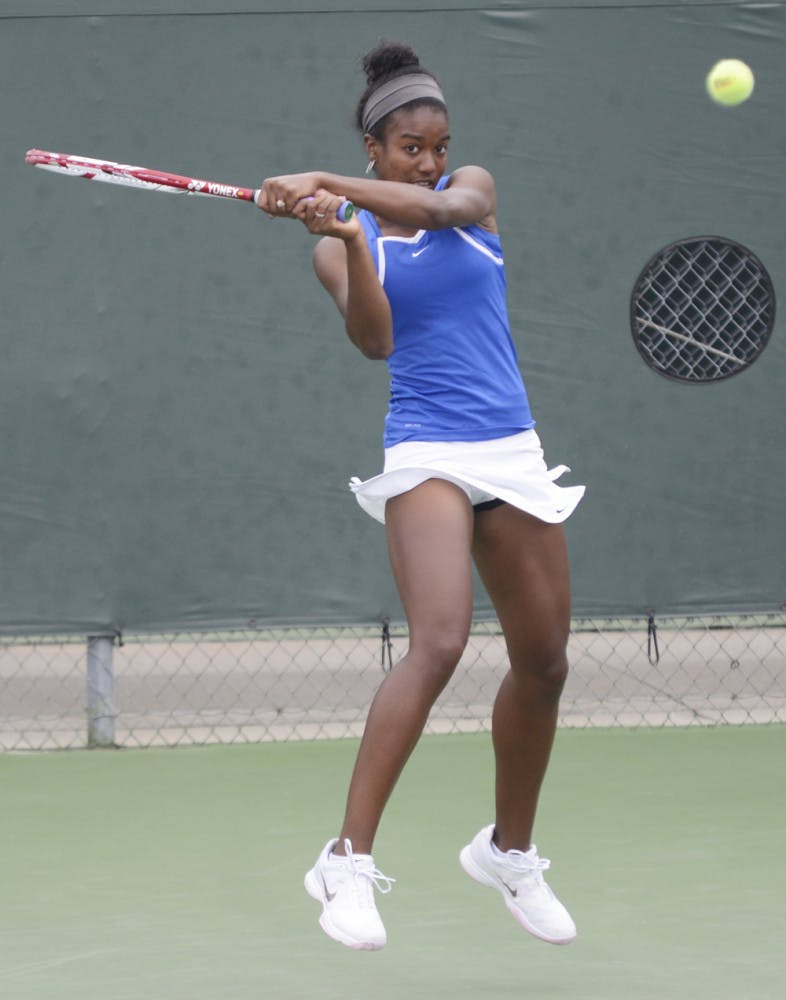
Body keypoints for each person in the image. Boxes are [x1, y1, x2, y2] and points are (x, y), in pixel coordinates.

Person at [257, 40, 585, 952]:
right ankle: (346, 861)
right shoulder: (347, 240)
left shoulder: (468, 198)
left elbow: (446, 206)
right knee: (440, 638)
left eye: (437, 144)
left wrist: (331, 184)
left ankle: (507, 852)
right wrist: (346, 242)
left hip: (511, 448)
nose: (431, 160)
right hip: (428, 449)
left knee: (547, 663)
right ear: (377, 147)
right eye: (410, 148)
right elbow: (375, 342)